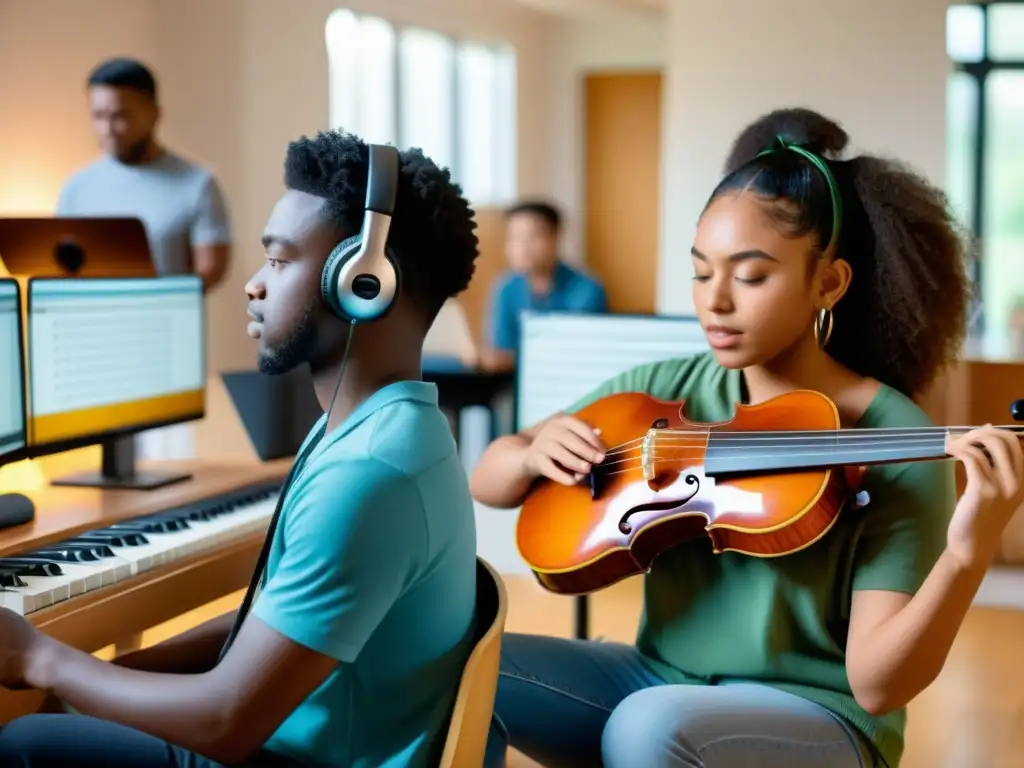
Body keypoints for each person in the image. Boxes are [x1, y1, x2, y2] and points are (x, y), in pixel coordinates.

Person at [471, 108, 1024, 768]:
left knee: (648, 729)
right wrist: (530, 451)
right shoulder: (664, 389)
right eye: (702, 272)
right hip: (662, 679)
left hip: (819, 713)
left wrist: (968, 552)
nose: (716, 302)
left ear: (828, 282)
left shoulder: (894, 435)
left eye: (751, 276)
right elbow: (490, 477)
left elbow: (878, 685)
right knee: (468, 672)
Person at [0, 131, 482, 768]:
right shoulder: (380, 430)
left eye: (279, 262)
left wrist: (41, 659)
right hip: (310, 736)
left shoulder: (371, 474)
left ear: (365, 283)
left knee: (25, 743)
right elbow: (267, 630)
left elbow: (226, 721)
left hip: (298, 755)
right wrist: (101, 675)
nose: (253, 286)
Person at [56, 57, 232, 290]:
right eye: (98, 116)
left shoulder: (197, 184)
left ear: (154, 113)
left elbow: (210, 271)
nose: (107, 130)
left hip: (166, 321)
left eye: (120, 116)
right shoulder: (75, 187)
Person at [483, 200, 609, 371]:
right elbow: (500, 348)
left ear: (555, 238)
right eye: (514, 237)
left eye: (533, 237)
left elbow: (577, 355)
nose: (522, 247)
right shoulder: (506, 288)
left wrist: (510, 358)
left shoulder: (587, 289)